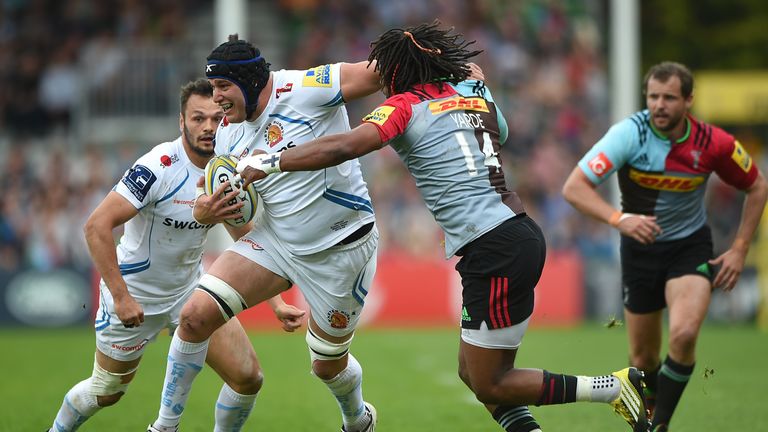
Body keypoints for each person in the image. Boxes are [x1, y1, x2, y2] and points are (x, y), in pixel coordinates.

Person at [235, 21, 650, 432]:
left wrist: (272, 160)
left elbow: (348, 145)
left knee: (491, 380)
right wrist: (480, 87)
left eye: (385, 70)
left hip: (494, 246)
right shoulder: (472, 91)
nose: (380, 80)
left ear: (399, 70)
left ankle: (612, 387)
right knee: (474, 373)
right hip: (513, 233)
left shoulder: (403, 105)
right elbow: (500, 131)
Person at [147, 35, 386, 432]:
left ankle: (357, 418)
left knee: (327, 366)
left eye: (224, 87)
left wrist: (442, 67)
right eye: (213, 88)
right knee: (194, 317)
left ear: (249, 81)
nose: (217, 99)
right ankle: (164, 426)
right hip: (276, 242)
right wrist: (207, 206)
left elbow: (377, 73)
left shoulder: (308, 87)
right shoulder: (226, 133)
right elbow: (220, 198)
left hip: (340, 247)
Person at [46, 79, 305, 432]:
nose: (209, 127)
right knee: (107, 390)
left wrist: (276, 303)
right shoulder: (158, 166)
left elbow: (240, 232)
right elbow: (96, 226)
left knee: (248, 378)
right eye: (198, 119)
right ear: (181, 122)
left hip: (190, 293)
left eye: (216, 118)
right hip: (137, 295)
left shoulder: (224, 168)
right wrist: (121, 297)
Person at [562, 61, 768, 431]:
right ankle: (651, 410)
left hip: (689, 248)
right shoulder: (628, 135)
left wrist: (739, 248)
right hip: (639, 250)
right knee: (643, 357)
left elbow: (757, 186)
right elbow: (574, 187)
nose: (659, 105)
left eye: (669, 98)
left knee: (685, 334)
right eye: (653, 97)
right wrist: (619, 219)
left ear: (688, 100)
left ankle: (660, 425)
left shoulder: (713, 143)